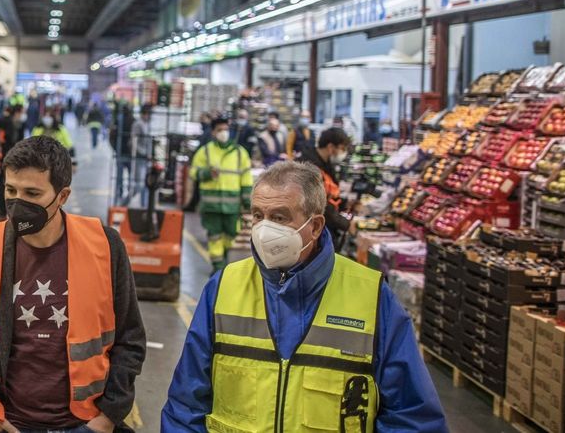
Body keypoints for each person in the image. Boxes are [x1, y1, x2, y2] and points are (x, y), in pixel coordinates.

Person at [161, 161, 448, 432]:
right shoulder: (223, 287)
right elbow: (186, 404)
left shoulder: (372, 298)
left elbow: (411, 414)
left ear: (315, 226)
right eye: (258, 215)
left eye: (279, 217)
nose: (263, 230)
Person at [0, 136, 147, 433]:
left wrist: (106, 419)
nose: (18, 203)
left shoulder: (104, 245)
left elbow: (129, 339)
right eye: (10, 190)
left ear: (62, 196)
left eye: (32, 193)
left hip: (84, 424)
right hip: (5, 422)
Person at [188, 115, 253, 273]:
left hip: (232, 205)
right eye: (220, 130)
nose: (223, 132)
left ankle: (222, 258)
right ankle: (218, 268)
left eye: (226, 129)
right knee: (215, 236)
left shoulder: (239, 153)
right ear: (213, 132)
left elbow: (246, 177)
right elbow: (194, 172)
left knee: (231, 234)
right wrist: (206, 174)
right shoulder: (205, 152)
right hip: (211, 205)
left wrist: (247, 201)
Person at [304, 127, 356, 252]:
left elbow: (329, 195)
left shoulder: (326, 165)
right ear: (331, 147)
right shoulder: (310, 167)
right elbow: (320, 205)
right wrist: (346, 225)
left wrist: (345, 203)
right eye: (342, 149)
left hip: (325, 229)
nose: (344, 153)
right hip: (314, 233)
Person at [127, 104, 154, 206]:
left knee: (146, 184)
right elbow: (134, 141)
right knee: (139, 185)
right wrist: (142, 153)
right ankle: (123, 204)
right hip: (138, 158)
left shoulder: (147, 124)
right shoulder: (138, 124)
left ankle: (144, 206)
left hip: (145, 158)